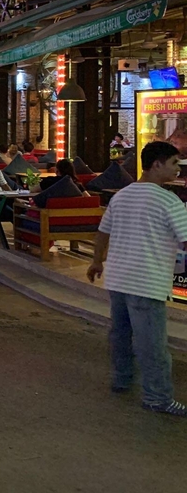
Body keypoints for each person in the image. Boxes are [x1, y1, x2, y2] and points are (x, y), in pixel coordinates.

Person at [88, 141, 187, 417]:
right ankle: (157, 397)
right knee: (152, 343)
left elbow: (102, 231)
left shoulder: (121, 196)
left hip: (118, 279)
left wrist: (97, 261)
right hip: (147, 281)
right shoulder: (169, 200)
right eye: (174, 163)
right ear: (157, 165)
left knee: (121, 334)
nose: (178, 169)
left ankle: (122, 379)